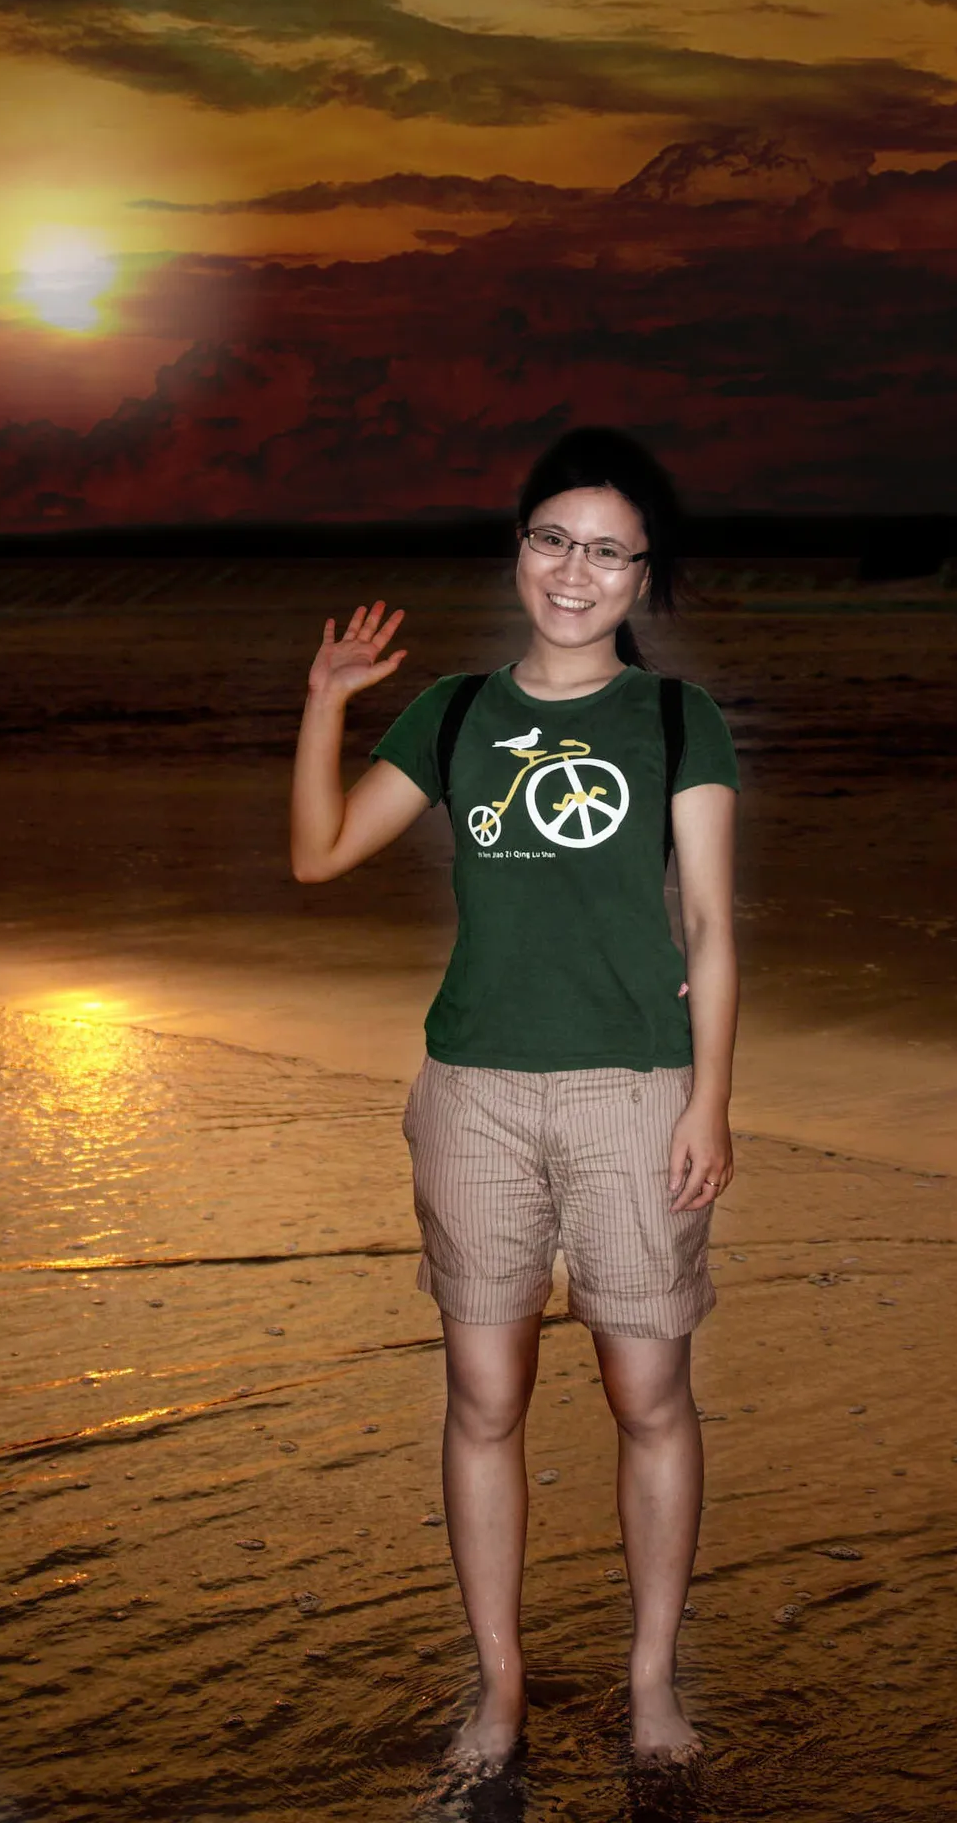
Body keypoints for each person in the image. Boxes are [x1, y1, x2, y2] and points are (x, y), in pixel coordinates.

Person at [290, 427, 740, 1772]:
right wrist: (326, 700)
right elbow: (319, 856)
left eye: (609, 552)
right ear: (520, 550)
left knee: (648, 1391)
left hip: (635, 1091)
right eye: (555, 539)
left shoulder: (677, 720)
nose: (575, 571)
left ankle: (652, 1683)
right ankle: (500, 1689)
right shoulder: (454, 712)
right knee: (484, 1398)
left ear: (644, 578)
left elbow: (711, 926)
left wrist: (710, 1102)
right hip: (473, 1091)